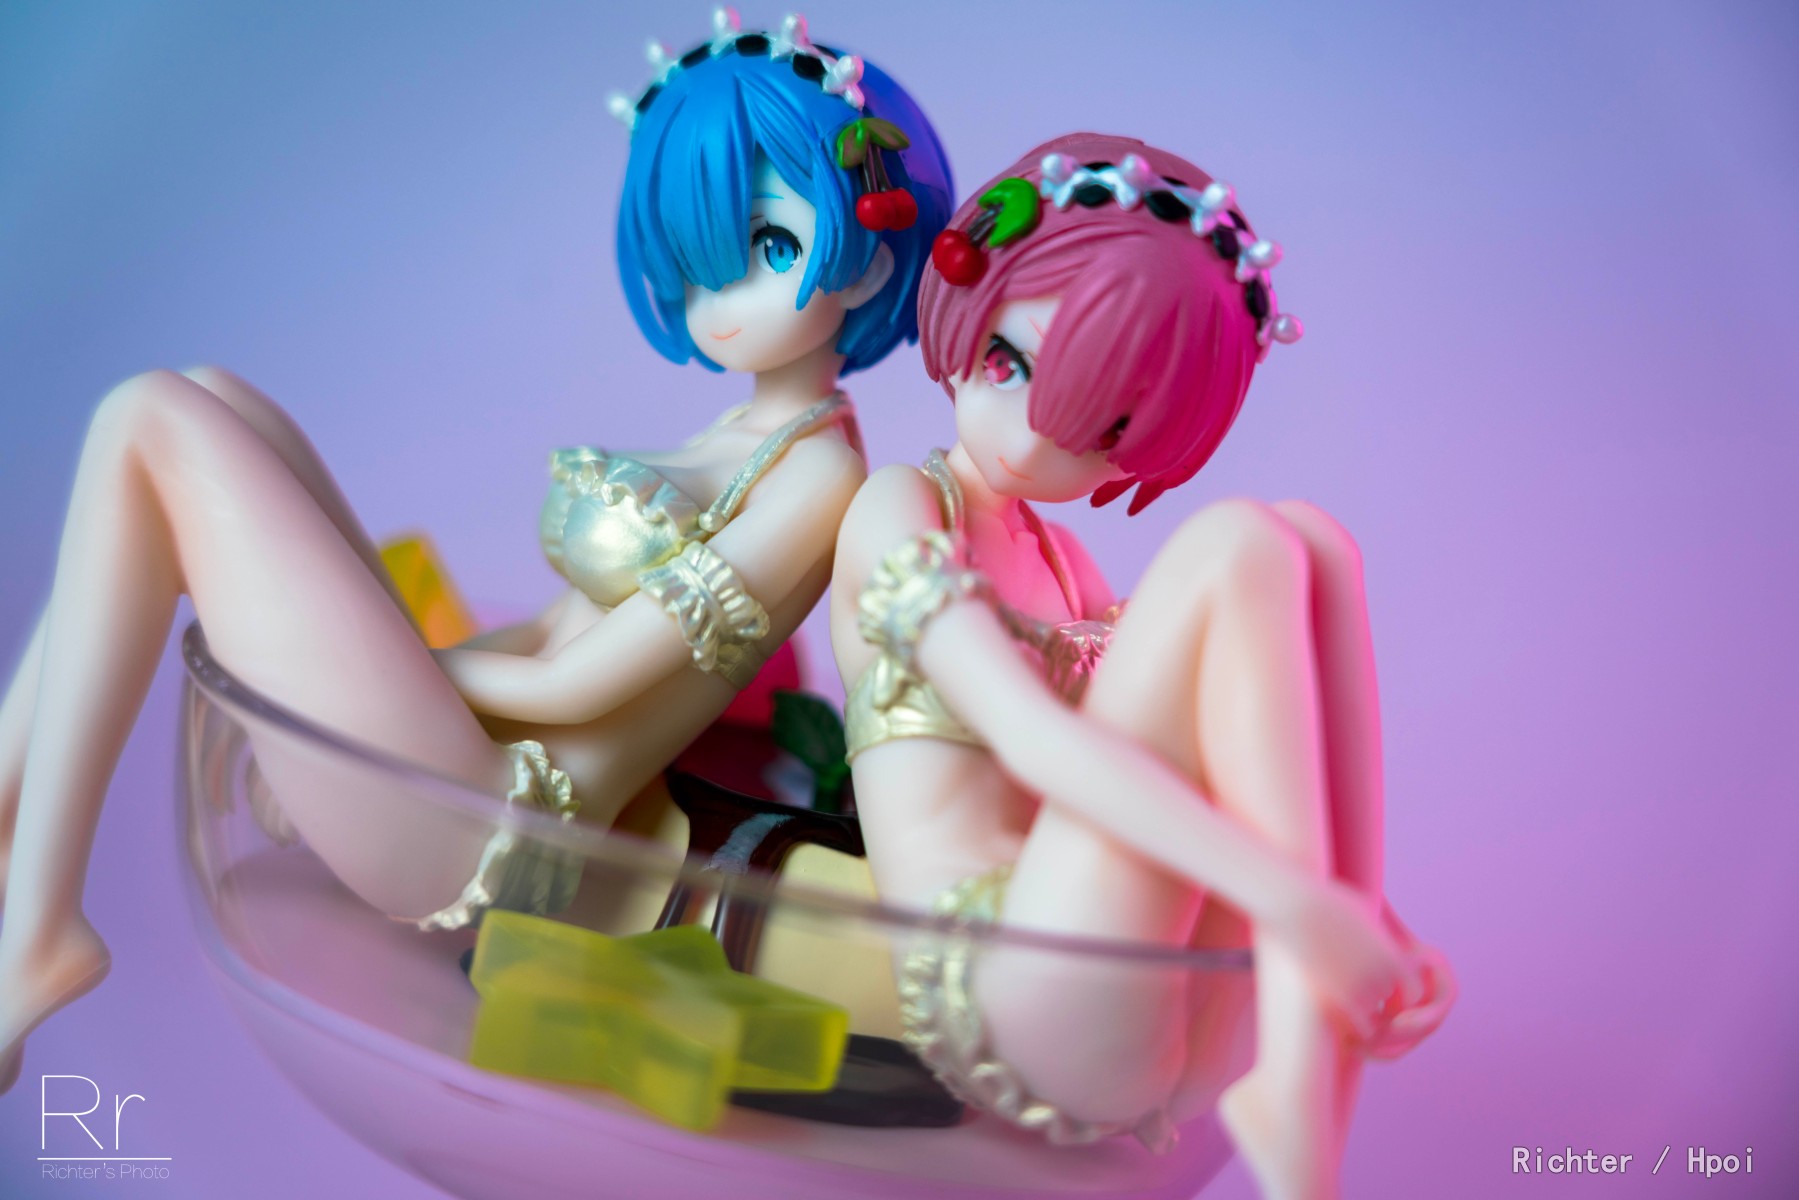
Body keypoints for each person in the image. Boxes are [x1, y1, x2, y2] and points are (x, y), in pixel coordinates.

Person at [0, 9, 951, 1093]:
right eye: (696, 263)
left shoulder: (821, 480)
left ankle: (37, 916)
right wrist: (372, 699)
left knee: (148, 419)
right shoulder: (746, 432)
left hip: (491, 825)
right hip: (458, 757)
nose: (721, 304)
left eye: (768, 248)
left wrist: (380, 693)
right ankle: (7, 819)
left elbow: (576, 683)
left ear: (870, 263)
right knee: (213, 400)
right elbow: (547, 634)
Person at [829, 133, 1451, 1199]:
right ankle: (1307, 1013)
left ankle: (1309, 1057)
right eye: (1008, 363)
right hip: (996, 989)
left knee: (1312, 543)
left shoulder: (1067, 566)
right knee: (1238, 543)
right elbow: (1034, 742)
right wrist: (1294, 905)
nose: (1031, 439)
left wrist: (1372, 927)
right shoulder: (904, 509)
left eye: (1100, 424)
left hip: (1131, 986)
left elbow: (1230, 748)